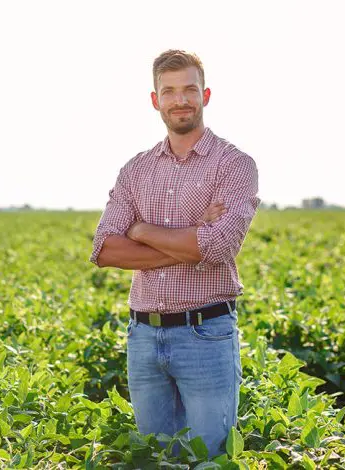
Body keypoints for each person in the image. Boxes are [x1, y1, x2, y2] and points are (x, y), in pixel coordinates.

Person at [89, 49, 260, 459]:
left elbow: (219, 247)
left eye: (189, 90)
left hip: (205, 333)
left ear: (206, 95)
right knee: (155, 458)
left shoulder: (234, 165)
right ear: (155, 100)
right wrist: (191, 239)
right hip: (143, 337)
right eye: (169, 91)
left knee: (209, 459)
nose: (180, 100)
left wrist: (142, 231)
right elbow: (105, 248)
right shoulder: (136, 169)